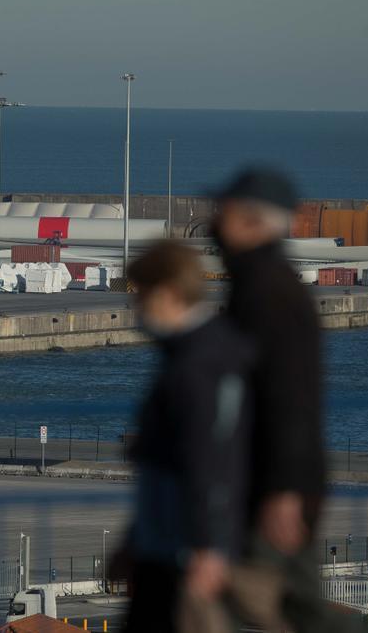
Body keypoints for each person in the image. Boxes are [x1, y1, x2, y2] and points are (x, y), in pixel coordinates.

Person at [213, 168, 338, 631]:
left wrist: (283, 491)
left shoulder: (267, 292)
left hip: (274, 485)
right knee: (285, 605)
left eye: (225, 213)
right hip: (271, 480)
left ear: (252, 221)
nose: (213, 223)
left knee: (292, 607)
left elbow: (290, 394)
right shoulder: (261, 284)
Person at [122, 241, 255, 633]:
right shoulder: (206, 351)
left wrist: (207, 545)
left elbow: (209, 456)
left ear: (168, 293)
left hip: (179, 550)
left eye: (143, 297)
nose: (138, 309)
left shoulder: (196, 362)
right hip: (168, 543)